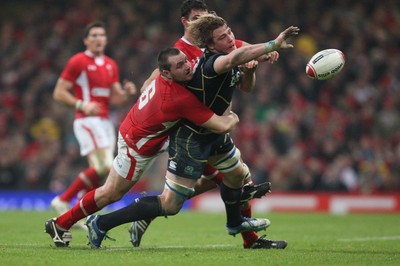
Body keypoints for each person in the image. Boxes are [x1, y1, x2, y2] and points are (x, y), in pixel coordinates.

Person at [85, 14, 299, 249]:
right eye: (222, 37)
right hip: (192, 140)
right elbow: (233, 61)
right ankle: (102, 222)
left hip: (213, 136)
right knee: (170, 205)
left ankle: (236, 224)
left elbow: (246, 87)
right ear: (210, 46)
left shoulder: (227, 56)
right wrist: (273, 44)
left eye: (229, 32)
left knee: (237, 174)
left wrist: (248, 72)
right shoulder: (212, 63)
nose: (230, 38)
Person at [44, 47, 240, 247]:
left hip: (154, 134)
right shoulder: (178, 98)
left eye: (185, 61)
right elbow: (223, 125)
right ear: (167, 73)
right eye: (180, 65)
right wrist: (232, 114)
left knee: (207, 168)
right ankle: (60, 224)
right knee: (111, 193)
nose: (187, 67)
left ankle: (150, 210)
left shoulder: (167, 77)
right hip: (137, 145)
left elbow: (157, 74)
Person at [129, 0, 279, 249]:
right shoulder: (180, 51)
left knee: (224, 180)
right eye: (197, 17)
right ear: (185, 22)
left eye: (205, 16)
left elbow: (241, 52)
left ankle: (151, 212)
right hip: (193, 132)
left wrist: (264, 52)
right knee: (235, 179)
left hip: (211, 130)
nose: (203, 22)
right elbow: (153, 81)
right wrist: (151, 95)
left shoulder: (217, 42)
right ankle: (247, 236)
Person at [49, 21, 137, 228]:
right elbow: (59, 93)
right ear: (86, 40)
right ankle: (63, 200)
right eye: (94, 35)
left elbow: (115, 98)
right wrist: (82, 104)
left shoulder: (110, 64)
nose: (99, 38)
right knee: (104, 166)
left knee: (102, 170)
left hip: (105, 122)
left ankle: (80, 208)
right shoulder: (77, 61)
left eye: (102, 35)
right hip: (87, 120)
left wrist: (126, 93)